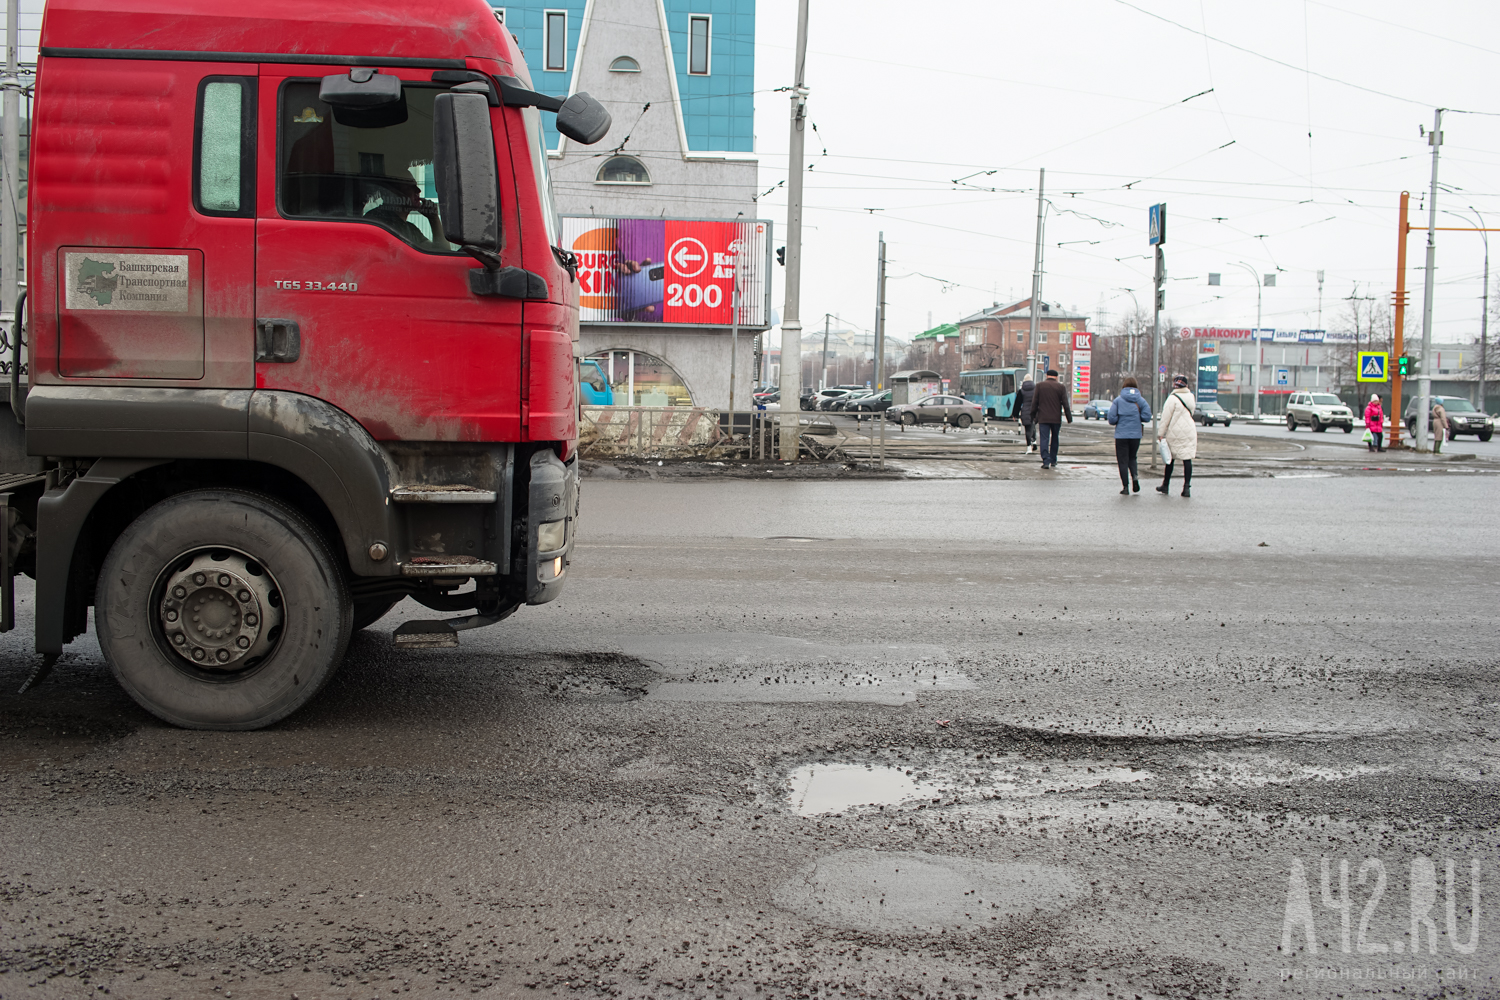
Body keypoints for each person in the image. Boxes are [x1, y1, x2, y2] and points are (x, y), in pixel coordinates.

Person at [1155, 373, 1198, 497]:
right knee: (1187, 459)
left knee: (1170, 459)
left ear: (1175, 385)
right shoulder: (1191, 397)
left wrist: (1160, 433)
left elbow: (1165, 418)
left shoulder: (1172, 398)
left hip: (1175, 431)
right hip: (1189, 431)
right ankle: (1186, 488)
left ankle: (1165, 485)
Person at [1106, 377, 1152, 495]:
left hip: (1121, 435)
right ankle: (1135, 477)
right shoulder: (1141, 401)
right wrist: (1137, 417)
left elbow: (1111, 419)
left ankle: (1125, 487)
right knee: (1132, 457)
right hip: (1136, 435)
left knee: (1122, 461)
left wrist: (1119, 419)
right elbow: (1147, 417)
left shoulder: (1118, 401)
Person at [1025, 369, 1072, 469]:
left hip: (1043, 418)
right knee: (1055, 438)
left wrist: (1032, 415)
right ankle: (1053, 460)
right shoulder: (1061, 387)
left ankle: (1046, 461)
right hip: (1056, 418)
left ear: (1047, 375)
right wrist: (1069, 418)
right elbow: (1065, 404)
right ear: (1056, 377)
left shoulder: (1040, 386)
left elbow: (1035, 402)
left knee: (1044, 439)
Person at [1016, 374, 1038, 453]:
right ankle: (1034, 442)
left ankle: (1029, 447)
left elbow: (1018, 403)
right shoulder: (1036, 390)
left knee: (1027, 429)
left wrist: (1015, 414)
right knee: (1032, 426)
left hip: (1025, 411)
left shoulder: (1021, 391)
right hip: (1034, 411)